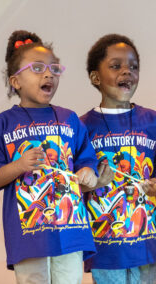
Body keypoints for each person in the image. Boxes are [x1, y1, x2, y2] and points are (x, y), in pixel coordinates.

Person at [0, 30, 98, 284]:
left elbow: (86, 159)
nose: (48, 74)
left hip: (71, 227)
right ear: (16, 82)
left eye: (54, 69)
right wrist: (20, 165)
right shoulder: (2, 124)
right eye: (37, 68)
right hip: (29, 231)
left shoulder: (70, 119)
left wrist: (88, 172)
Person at [81, 34, 156, 284]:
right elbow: (75, 185)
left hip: (149, 247)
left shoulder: (152, 121)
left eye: (133, 67)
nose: (127, 72)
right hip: (106, 250)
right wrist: (92, 183)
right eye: (116, 66)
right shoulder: (82, 127)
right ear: (95, 77)